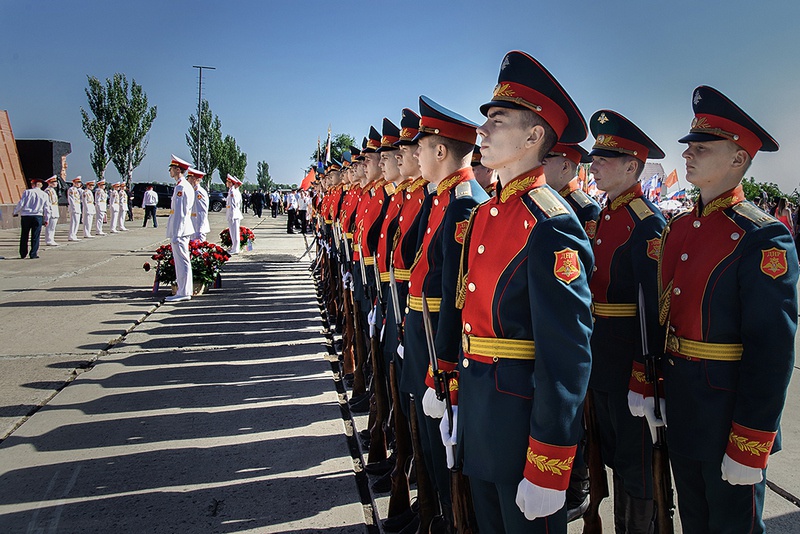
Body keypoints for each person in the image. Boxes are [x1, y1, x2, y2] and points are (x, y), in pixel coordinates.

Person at [442, 51, 593, 532]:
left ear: (532, 137)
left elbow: (566, 355)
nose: (481, 132)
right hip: (483, 412)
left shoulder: (551, 224)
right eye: (485, 120)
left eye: (497, 121)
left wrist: (550, 461)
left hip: (523, 426)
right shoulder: (487, 213)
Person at [650, 85, 798, 533]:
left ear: (737, 160)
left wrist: (751, 441)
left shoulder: (762, 236)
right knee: (694, 520)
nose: (689, 154)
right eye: (689, 146)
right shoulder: (678, 228)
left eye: (701, 146)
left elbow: (772, 351)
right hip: (682, 400)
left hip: (727, 412)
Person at [405, 95, 489, 530]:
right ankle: (433, 515)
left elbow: (458, 297)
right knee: (431, 450)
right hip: (424, 331)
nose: (415, 153)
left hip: (441, 340)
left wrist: (446, 369)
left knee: (448, 457)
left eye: (422, 146)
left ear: (441, 151)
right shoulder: (441, 198)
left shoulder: (463, 202)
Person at [587, 109, 666, 532]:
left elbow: (654, 310)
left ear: (632, 167)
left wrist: (644, 374)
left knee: (636, 468)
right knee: (611, 455)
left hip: (627, 364)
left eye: (604, 159)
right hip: (601, 358)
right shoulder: (605, 216)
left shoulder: (646, 223)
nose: (593, 165)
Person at [542, 143, 600, 237]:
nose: (536, 168)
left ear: (565, 167)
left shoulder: (586, 209)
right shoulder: (540, 198)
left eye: (543, 163)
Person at [165, 155, 195, 302]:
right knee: (181, 261)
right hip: (181, 230)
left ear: (178, 169)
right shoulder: (181, 185)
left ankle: (184, 291)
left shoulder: (182, 187)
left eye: (171, 168)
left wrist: (176, 233)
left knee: (182, 262)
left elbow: (181, 214)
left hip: (181, 230)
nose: (169, 171)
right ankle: (183, 290)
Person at [13, 176, 49, 259]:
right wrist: (46, 218)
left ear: (33, 184)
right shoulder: (44, 194)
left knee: (24, 235)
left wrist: (15, 212)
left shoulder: (27, 192)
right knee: (35, 235)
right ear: (40, 185)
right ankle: (33, 254)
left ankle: (23, 253)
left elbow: (21, 203)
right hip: (38, 216)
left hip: (26, 215)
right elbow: (47, 208)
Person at [187, 168, 210, 242]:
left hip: (198, 226)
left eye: (189, 178)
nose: (187, 180)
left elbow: (201, 211)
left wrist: (200, 228)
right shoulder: (194, 191)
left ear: (194, 179)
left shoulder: (198, 192)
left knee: (199, 250)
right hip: (194, 224)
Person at [226, 174, 243, 253]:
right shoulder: (231, 191)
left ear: (230, 183)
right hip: (233, 213)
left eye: (227, 182)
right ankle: (234, 247)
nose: (226, 183)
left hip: (234, 214)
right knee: (233, 232)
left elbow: (233, 204)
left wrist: (231, 215)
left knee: (235, 232)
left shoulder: (233, 191)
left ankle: (235, 249)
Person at [43, 175, 60, 246]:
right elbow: (48, 202)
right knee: (50, 226)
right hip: (51, 210)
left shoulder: (52, 190)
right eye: (54, 182)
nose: (56, 183)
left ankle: (51, 239)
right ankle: (49, 240)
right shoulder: (47, 191)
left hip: (55, 209)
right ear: (50, 182)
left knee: (53, 226)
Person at [67, 176, 83, 241]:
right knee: (73, 222)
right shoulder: (71, 189)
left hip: (77, 207)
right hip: (74, 208)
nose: (79, 184)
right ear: (74, 182)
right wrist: (73, 208)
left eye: (79, 182)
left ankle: (74, 235)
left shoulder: (76, 190)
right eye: (77, 182)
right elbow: (71, 200)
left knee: (76, 222)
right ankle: (71, 235)